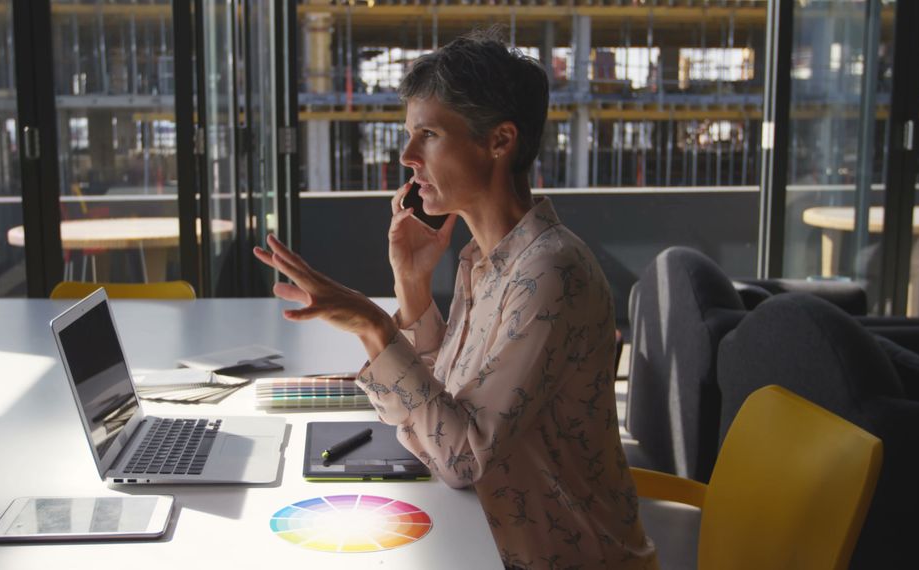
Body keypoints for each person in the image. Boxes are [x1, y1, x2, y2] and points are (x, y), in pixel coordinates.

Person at [254, 30, 657, 570]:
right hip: (487, 536)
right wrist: (413, 288)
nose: (407, 156)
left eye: (428, 134)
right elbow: (443, 416)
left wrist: (376, 326)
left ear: (499, 141)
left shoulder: (549, 272)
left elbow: (460, 457)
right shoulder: (484, 260)